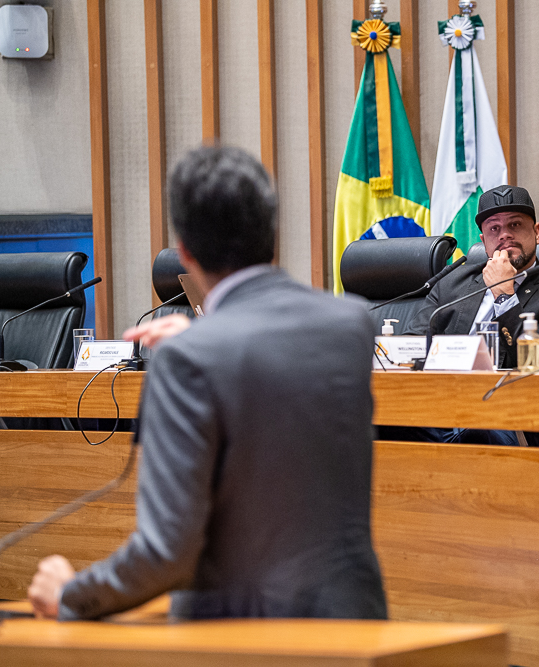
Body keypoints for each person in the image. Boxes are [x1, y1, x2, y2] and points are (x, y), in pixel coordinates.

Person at [28, 146, 387, 621]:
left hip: (237, 635)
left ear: (185, 252)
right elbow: (271, 371)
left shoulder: (187, 358)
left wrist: (70, 594)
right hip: (353, 623)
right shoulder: (351, 325)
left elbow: (166, 554)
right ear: (272, 231)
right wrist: (204, 339)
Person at [404, 184, 539, 368]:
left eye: (515, 225)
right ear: (483, 241)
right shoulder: (452, 281)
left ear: (536, 232)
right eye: (494, 228)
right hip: (445, 382)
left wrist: (504, 295)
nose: (505, 235)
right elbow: (411, 347)